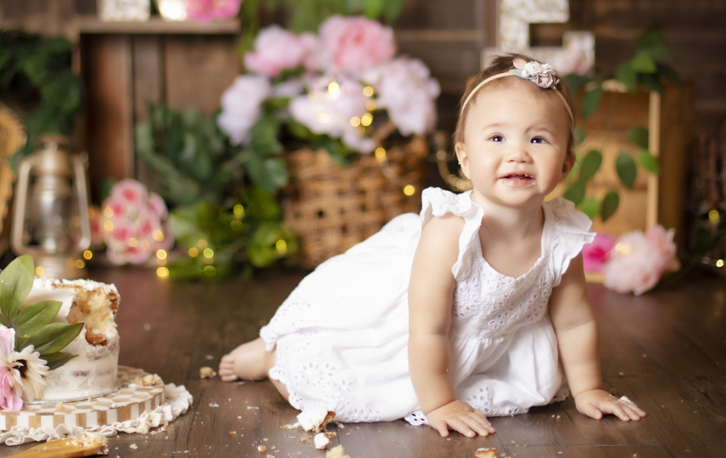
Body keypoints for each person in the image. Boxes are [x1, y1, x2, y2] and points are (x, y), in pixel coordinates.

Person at [219, 54, 646, 437]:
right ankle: (269, 353)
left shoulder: (561, 236)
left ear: (567, 161)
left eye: (538, 140)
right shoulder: (451, 232)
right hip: (410, 329)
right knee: (329, 375)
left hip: (489, 344)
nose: (517, 154)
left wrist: (588, 389)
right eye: (497, 139)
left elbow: (574, 323)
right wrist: (439, 402)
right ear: (464, 156)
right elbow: (428, 329)